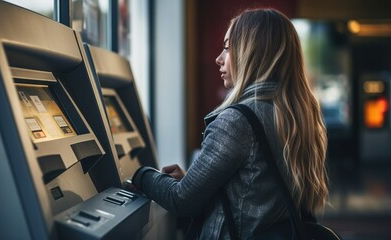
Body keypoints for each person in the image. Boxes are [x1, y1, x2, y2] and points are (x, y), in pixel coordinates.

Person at [132, 8, 328, 239]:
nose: (219, 58)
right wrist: (194, 181)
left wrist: (140, 175)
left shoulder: (237, 121)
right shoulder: (296, 115)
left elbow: (180, 200)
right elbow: (259, 192)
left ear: (252, 53)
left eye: (227, 48)